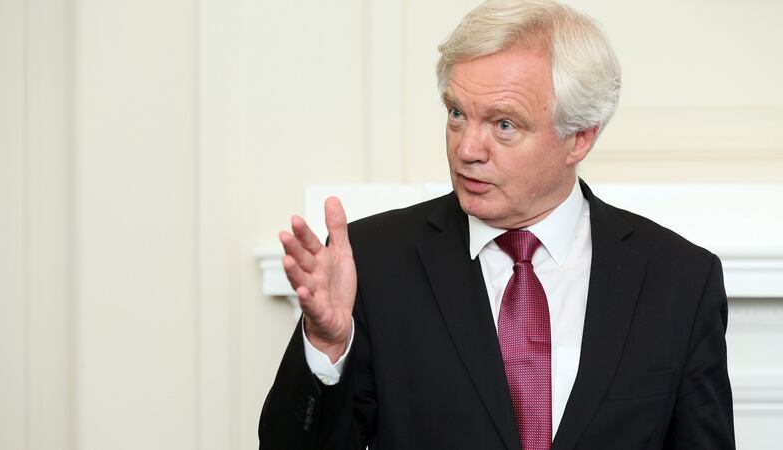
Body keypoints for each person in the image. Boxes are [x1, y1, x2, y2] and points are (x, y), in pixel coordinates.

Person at [259, 0, 735, 448]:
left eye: (504, 124)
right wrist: (326, 347)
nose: (467, 148)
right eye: (457, 114)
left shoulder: (680, 281)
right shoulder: (374, 262)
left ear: (579, 138)